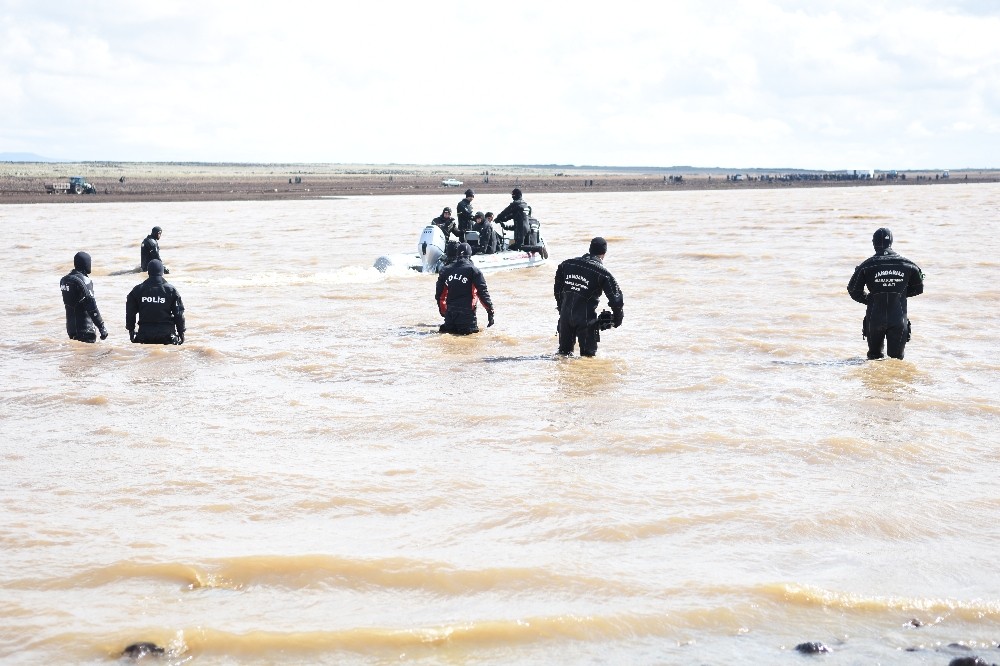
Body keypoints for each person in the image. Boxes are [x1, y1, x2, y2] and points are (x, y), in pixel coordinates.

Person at [847, 227, 924, 360]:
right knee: (896, 363)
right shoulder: (909, 265)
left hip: (874, 318)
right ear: (891, 243)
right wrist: (898, 295)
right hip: (898, 318)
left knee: (874, 360)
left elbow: (853, 291)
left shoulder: (866, 266)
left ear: (874, 243)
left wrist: (873, 299)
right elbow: (918, 289)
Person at [553, 237, 624, 357]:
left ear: (590, 249)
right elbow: (616, 300)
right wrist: (617, 319)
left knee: (563, 356)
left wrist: (561, 308)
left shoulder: (567, 264)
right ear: (604, 253)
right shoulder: (603, 273)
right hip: (586, 321)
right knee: (588, 359)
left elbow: (557, 290)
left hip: (565, 317)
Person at [435, 243, 495, 334]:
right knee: (470, 344)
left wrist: (444, 313)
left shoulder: (445, 270)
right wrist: (490, 312)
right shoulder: (474, 271)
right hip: (467, 317)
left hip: (450, 315)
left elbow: (440, 295)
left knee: (449, 345)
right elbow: (482, 293)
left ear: (457, 254)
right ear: (470, 255)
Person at [126, 259, 186, 344]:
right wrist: (181, 332)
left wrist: (131, 330)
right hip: (167, 336)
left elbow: (130, 313)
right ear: (162, 272)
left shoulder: (137, 290)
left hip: (144, 336)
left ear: (148, 272)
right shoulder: (171, 290)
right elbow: (179, 314)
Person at [60, 251, 109, 343]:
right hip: (85, 330)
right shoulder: (84, 280)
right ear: (86, 263)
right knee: (93, 356)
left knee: (78, 356)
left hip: (71, 330)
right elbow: (91, 306)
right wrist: (101, 327)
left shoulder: (64, 280)